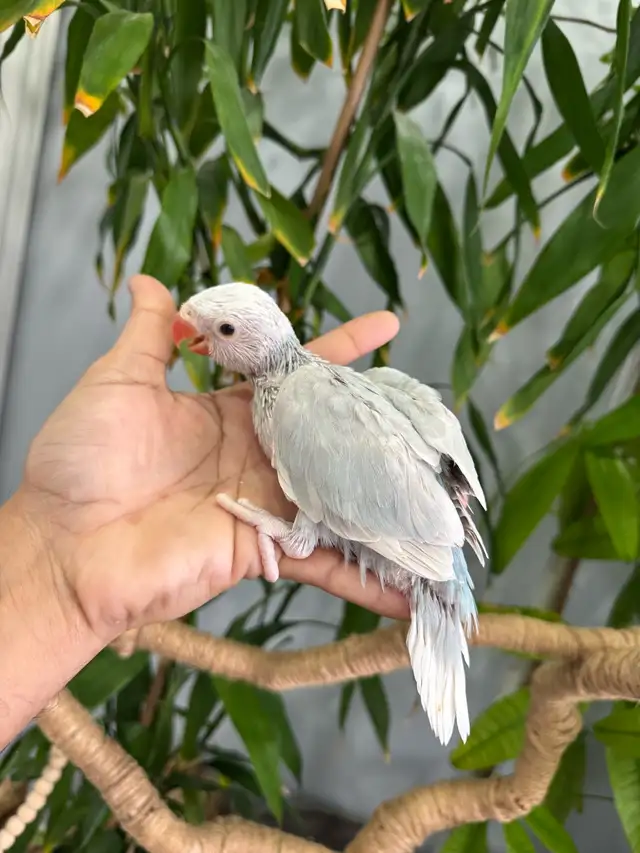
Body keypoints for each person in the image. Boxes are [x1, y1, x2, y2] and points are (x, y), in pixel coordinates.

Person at [0, 274, 409, 751]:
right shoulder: (276, 399)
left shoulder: (302, 405)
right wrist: (58, 577)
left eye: (227, 331)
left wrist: (56, 582)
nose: (195, 340)